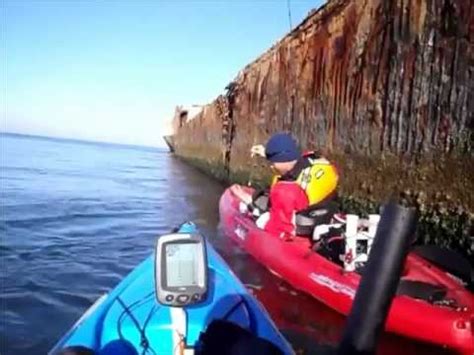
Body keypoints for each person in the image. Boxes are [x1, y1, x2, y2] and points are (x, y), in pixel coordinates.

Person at [230, 132, 339, 238]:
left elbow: (279, 229)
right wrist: (267, 153)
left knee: (260, 202)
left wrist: (248, 200)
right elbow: (293, 164)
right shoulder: (316, 162)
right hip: (324, 212)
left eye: (273, 162)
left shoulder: (285, 190)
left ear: (283, 159)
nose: (271, 166)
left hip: (300, 223)